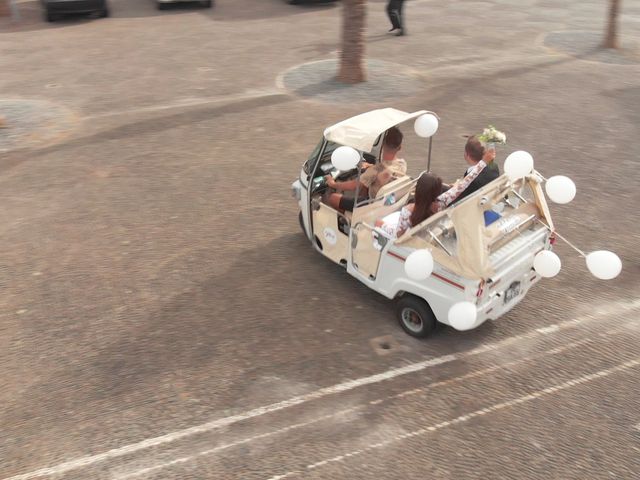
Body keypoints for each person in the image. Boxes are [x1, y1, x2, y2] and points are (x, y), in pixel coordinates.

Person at [376, 153, 493, 238]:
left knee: (378, 223)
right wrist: (483, 162)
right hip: (428, 235)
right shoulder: (443, 202)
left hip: (411, 239)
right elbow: (464, 183)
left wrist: (382, 225)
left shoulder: (408, 211)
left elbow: (399, 235)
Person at [324, 127, 407, 212]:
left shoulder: (374, 171)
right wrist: (371, 166)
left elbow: (353, 185)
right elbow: (387, 168)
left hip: (372, 206)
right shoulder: (402, 164)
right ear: (399, 147)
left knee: (332, 198)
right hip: (388, 201)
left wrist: (333, 184)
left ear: (382, 145)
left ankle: (348, 218)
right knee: (365, 186)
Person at [450, 135, 499, 203]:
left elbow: (459, 197)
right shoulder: (494, 166)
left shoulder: (472, 179)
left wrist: (456, 187)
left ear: (467, 155)